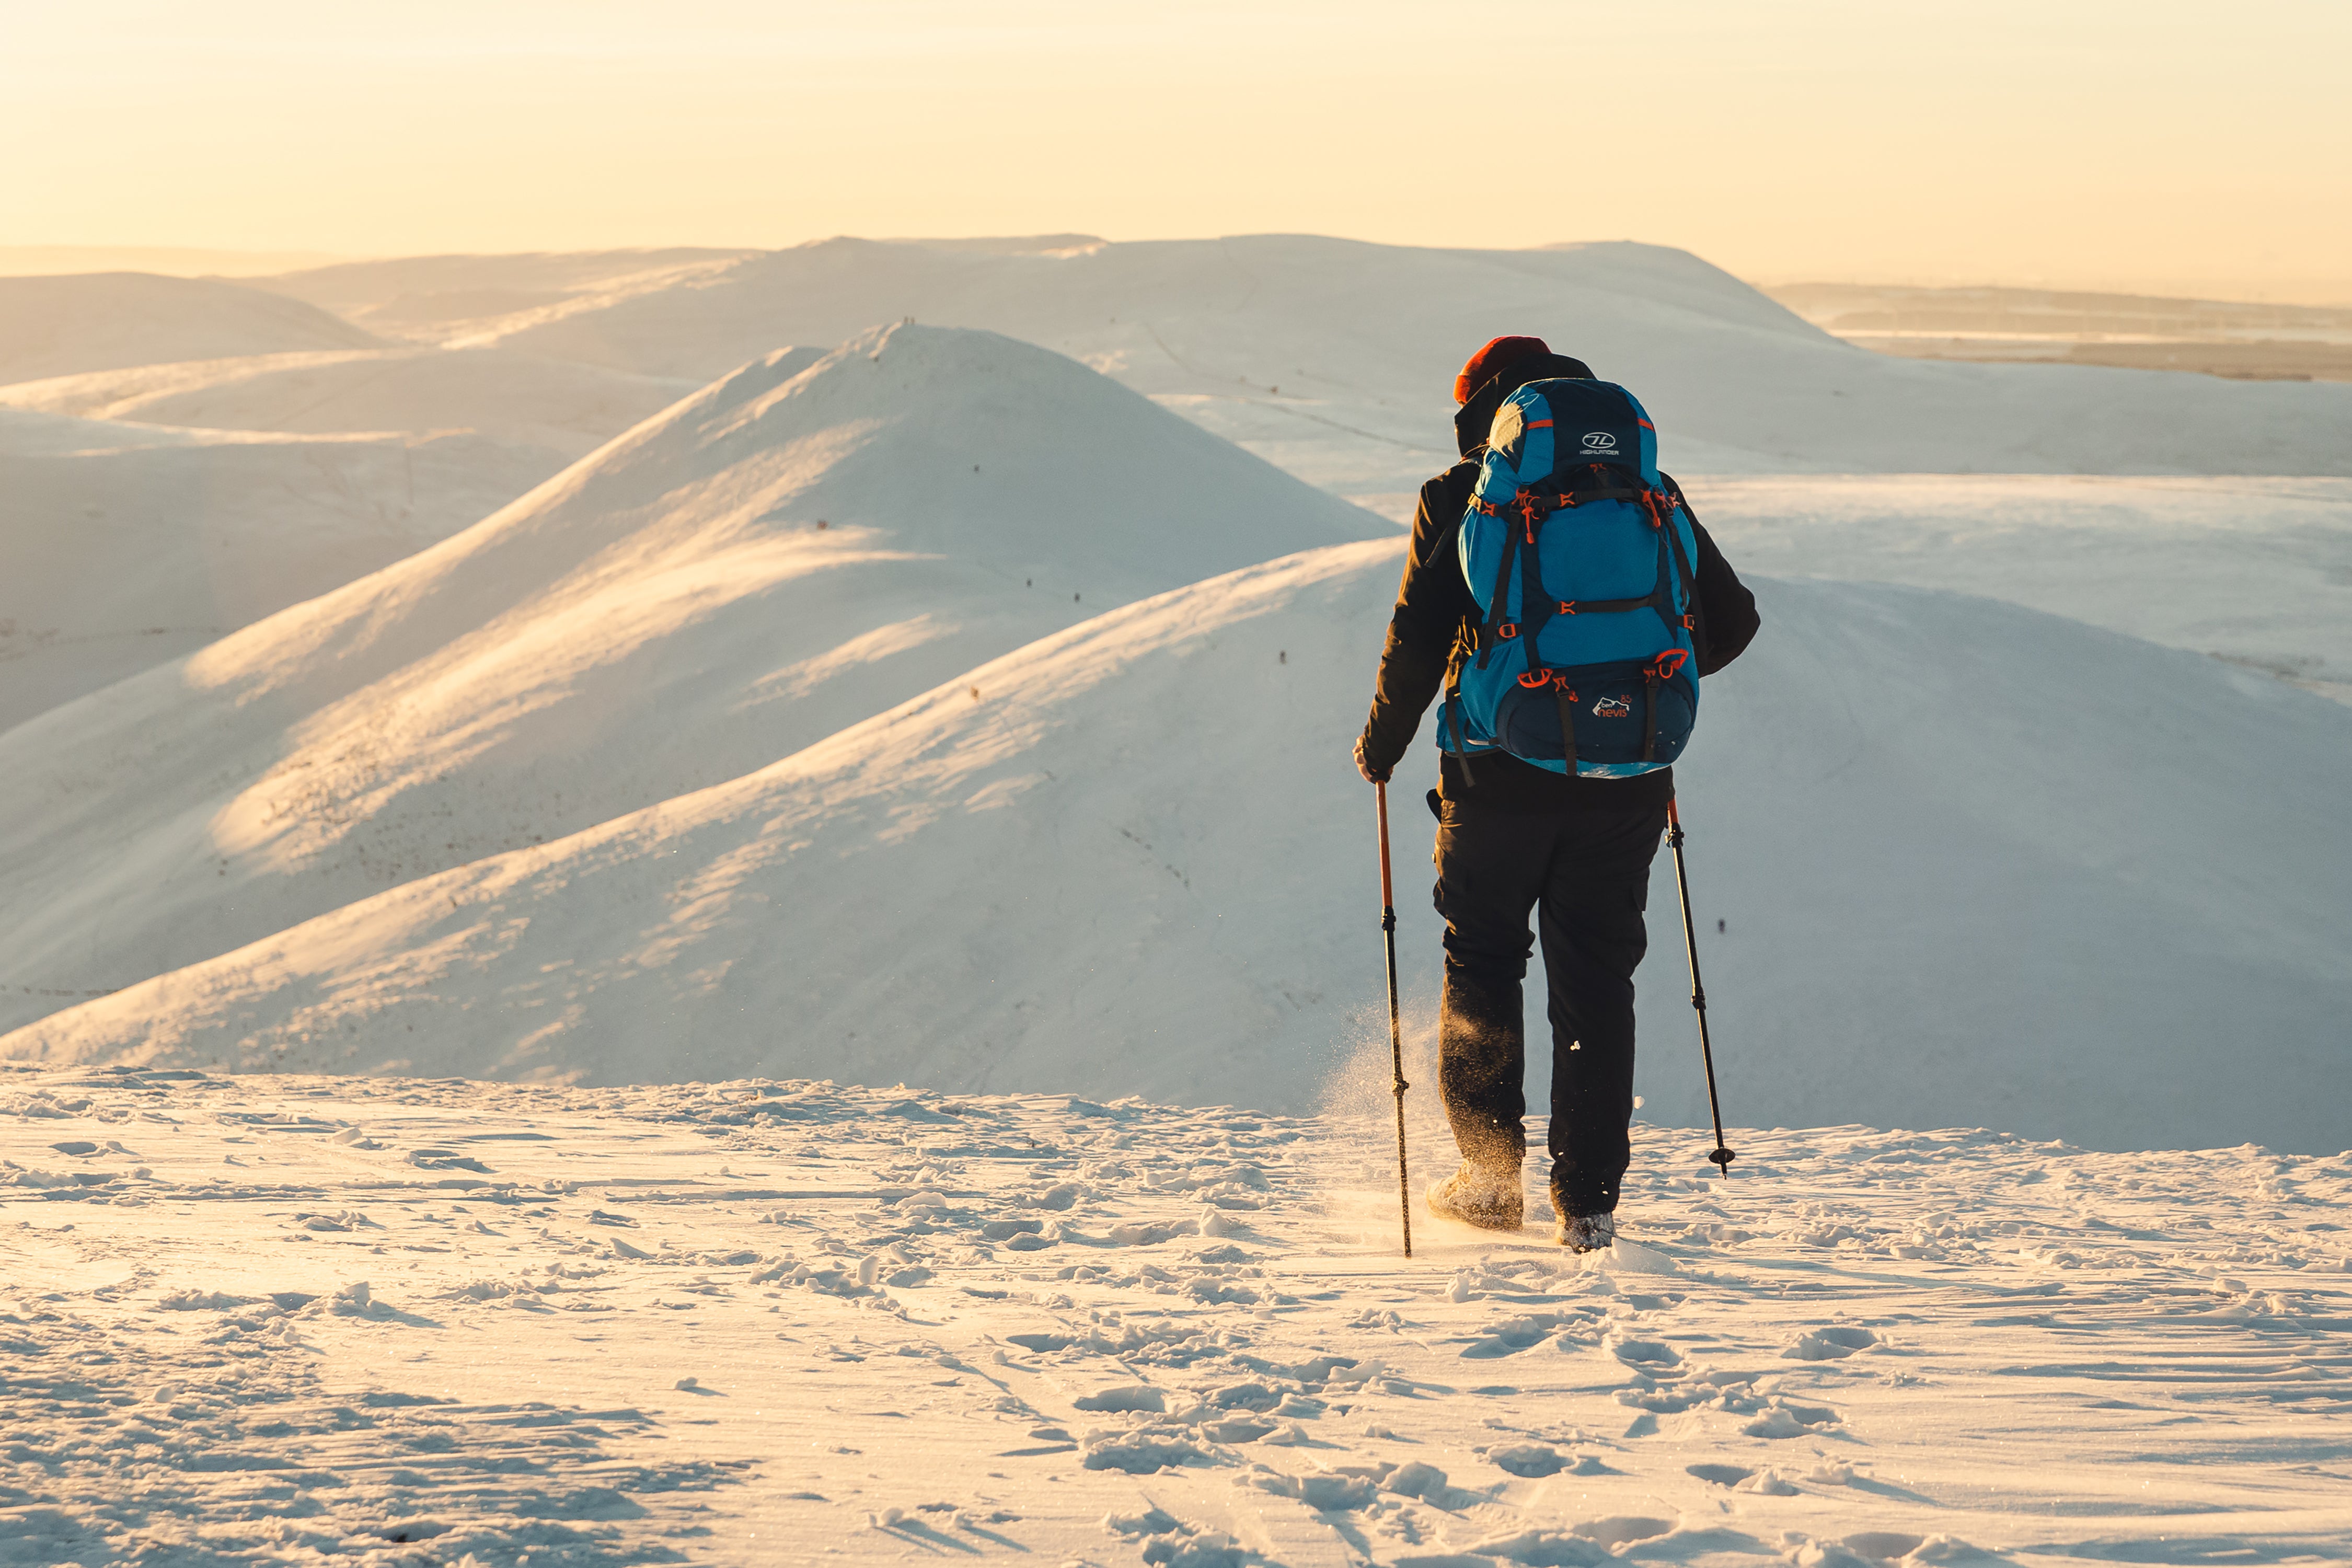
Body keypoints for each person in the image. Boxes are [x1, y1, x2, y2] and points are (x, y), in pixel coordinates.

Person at [1353, 335, 1760, 1250]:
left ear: (1485, 413)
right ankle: (1586, 1205)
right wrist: (1634, 687)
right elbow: (1732, 622)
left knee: (1484, 965)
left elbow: (1418, 640)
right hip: (1627, 782)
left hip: (1495, 779)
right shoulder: (1650, 494)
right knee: (1596, 983)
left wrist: (1382, 745)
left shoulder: (1463, 495)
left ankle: (1491, 1182)